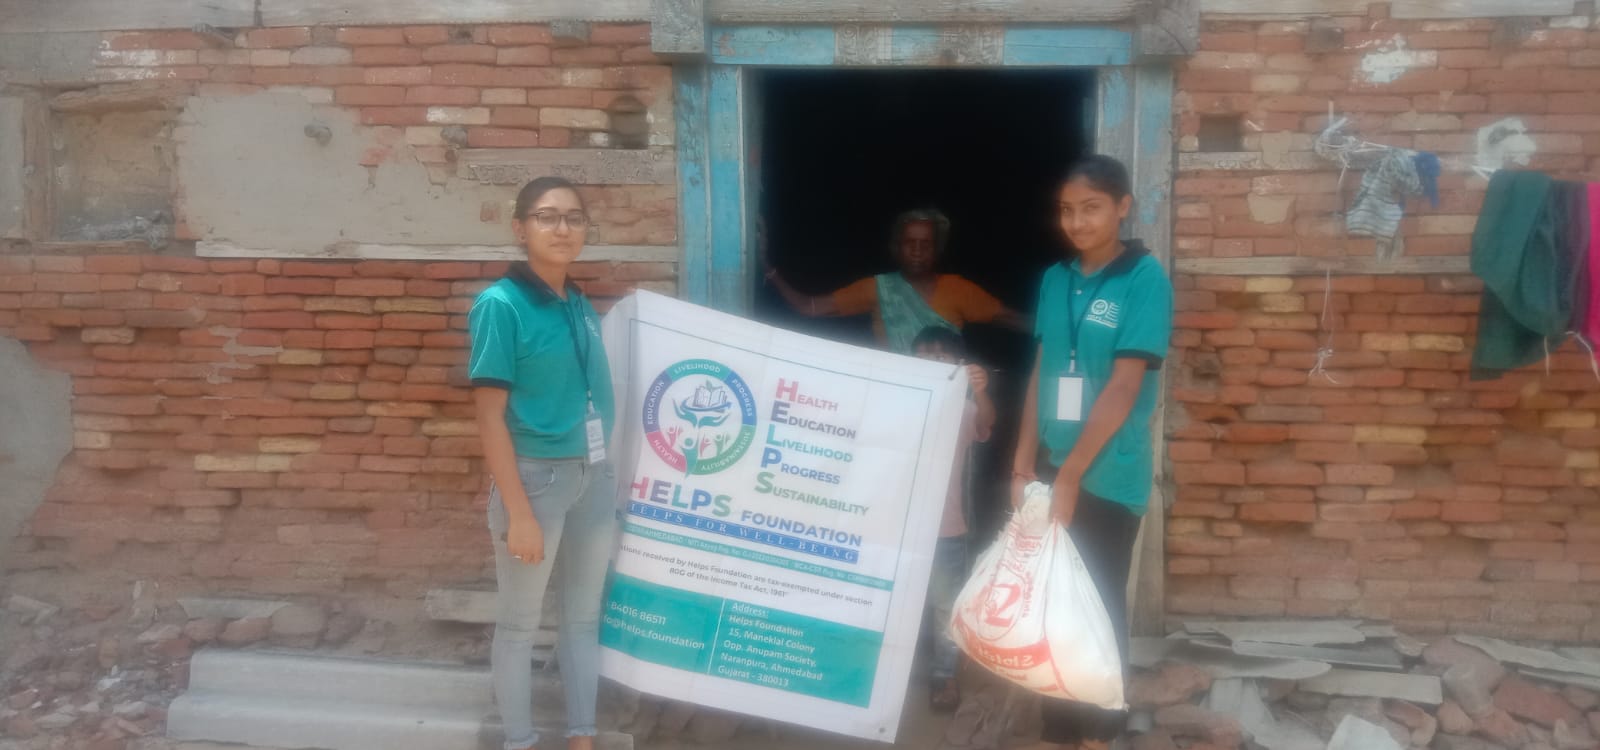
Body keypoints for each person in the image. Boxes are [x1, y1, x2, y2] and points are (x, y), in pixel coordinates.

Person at [1011, 156, 1173, 750]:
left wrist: (1071, 476)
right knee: (1050, 605)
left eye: (1091, 208)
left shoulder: (1144, 279)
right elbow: (1042, 371)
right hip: (1053, 469)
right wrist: (1022, 463)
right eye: (1067, 211)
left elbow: (1125, 386)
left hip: (1107, 475)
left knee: (1097, 609)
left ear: (1123, 206)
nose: (1076, 223)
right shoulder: (1055, 279)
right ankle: (1058, 733)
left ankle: (1098, 736)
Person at [469, 176, 618, 750]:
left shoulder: (576, 301)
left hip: (592, 478)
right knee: (519, 625)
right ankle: (521, 740)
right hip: (536, 482)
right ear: (520, 228)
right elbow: (490, 417)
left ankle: (582, 737)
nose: (563, 229)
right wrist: (519, 512)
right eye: (547, 217)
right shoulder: (501, 305)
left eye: (574, 218)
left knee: (582, 619)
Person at [763, 209, 1028, 354]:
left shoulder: (959, 289)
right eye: (910, 243)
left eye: (925, 244)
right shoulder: (877, 288)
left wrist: (1054, 332)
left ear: (937, 250)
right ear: (896, 248)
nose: (917, 251)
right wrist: (768, 269)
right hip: (894, 392)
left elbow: (1009, 318)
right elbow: (808, 306)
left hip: (946, 399)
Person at [910, 326, 995, 714]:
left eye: (941, 357)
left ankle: (944, 675)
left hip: (945, 527)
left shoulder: (963, 409)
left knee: (946, 606)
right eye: (924, 356)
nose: (931, 362)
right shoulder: (891, 402)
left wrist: (980, 391)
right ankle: (886, 676)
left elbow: (985, 424)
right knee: (889, 602)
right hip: (892, 526)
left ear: (959, 365)